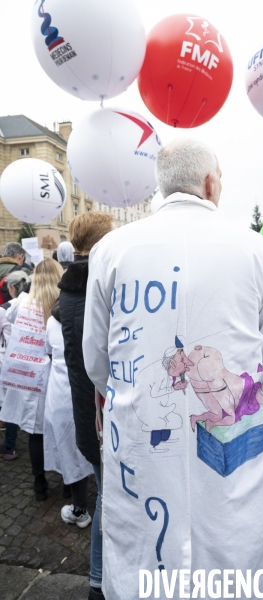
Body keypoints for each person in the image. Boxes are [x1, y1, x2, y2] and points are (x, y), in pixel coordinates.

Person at [82, 138, 263, 600]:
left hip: (145, 443)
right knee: (232, 552)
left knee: (146, 552)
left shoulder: (111, 250)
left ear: (162, 186)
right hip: (217, 457)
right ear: (210, 183)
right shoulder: (254, 250)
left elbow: (97, 360)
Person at [58, 212, 114, 600]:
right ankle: (97, 582)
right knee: (109, 500)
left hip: (86, 411)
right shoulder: (91, 284)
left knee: (106, 493)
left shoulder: (70, 284)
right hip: (98, 415)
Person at [1, 259, 63, 500]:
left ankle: (39, 483)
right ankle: (68, 482)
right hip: (56, 376)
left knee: (36, 433)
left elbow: (9, 316)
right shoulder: (62, 304)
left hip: (32, 378)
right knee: (59, 429)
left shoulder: (22, 303)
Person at [44, 300, 93, 527]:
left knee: (70, 451)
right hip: (87, 391)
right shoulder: (94, 318)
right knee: (84, 448)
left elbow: (49, 352)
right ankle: (85, 505)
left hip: (63, 394)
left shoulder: (53, 322)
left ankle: (80, 508)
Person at [0, 270, 31, 459]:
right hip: (28, 361)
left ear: (12, 287)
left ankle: (10, 445)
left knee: (8, 402)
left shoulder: (4, 309)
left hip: (7, 362)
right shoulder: (33, 306)